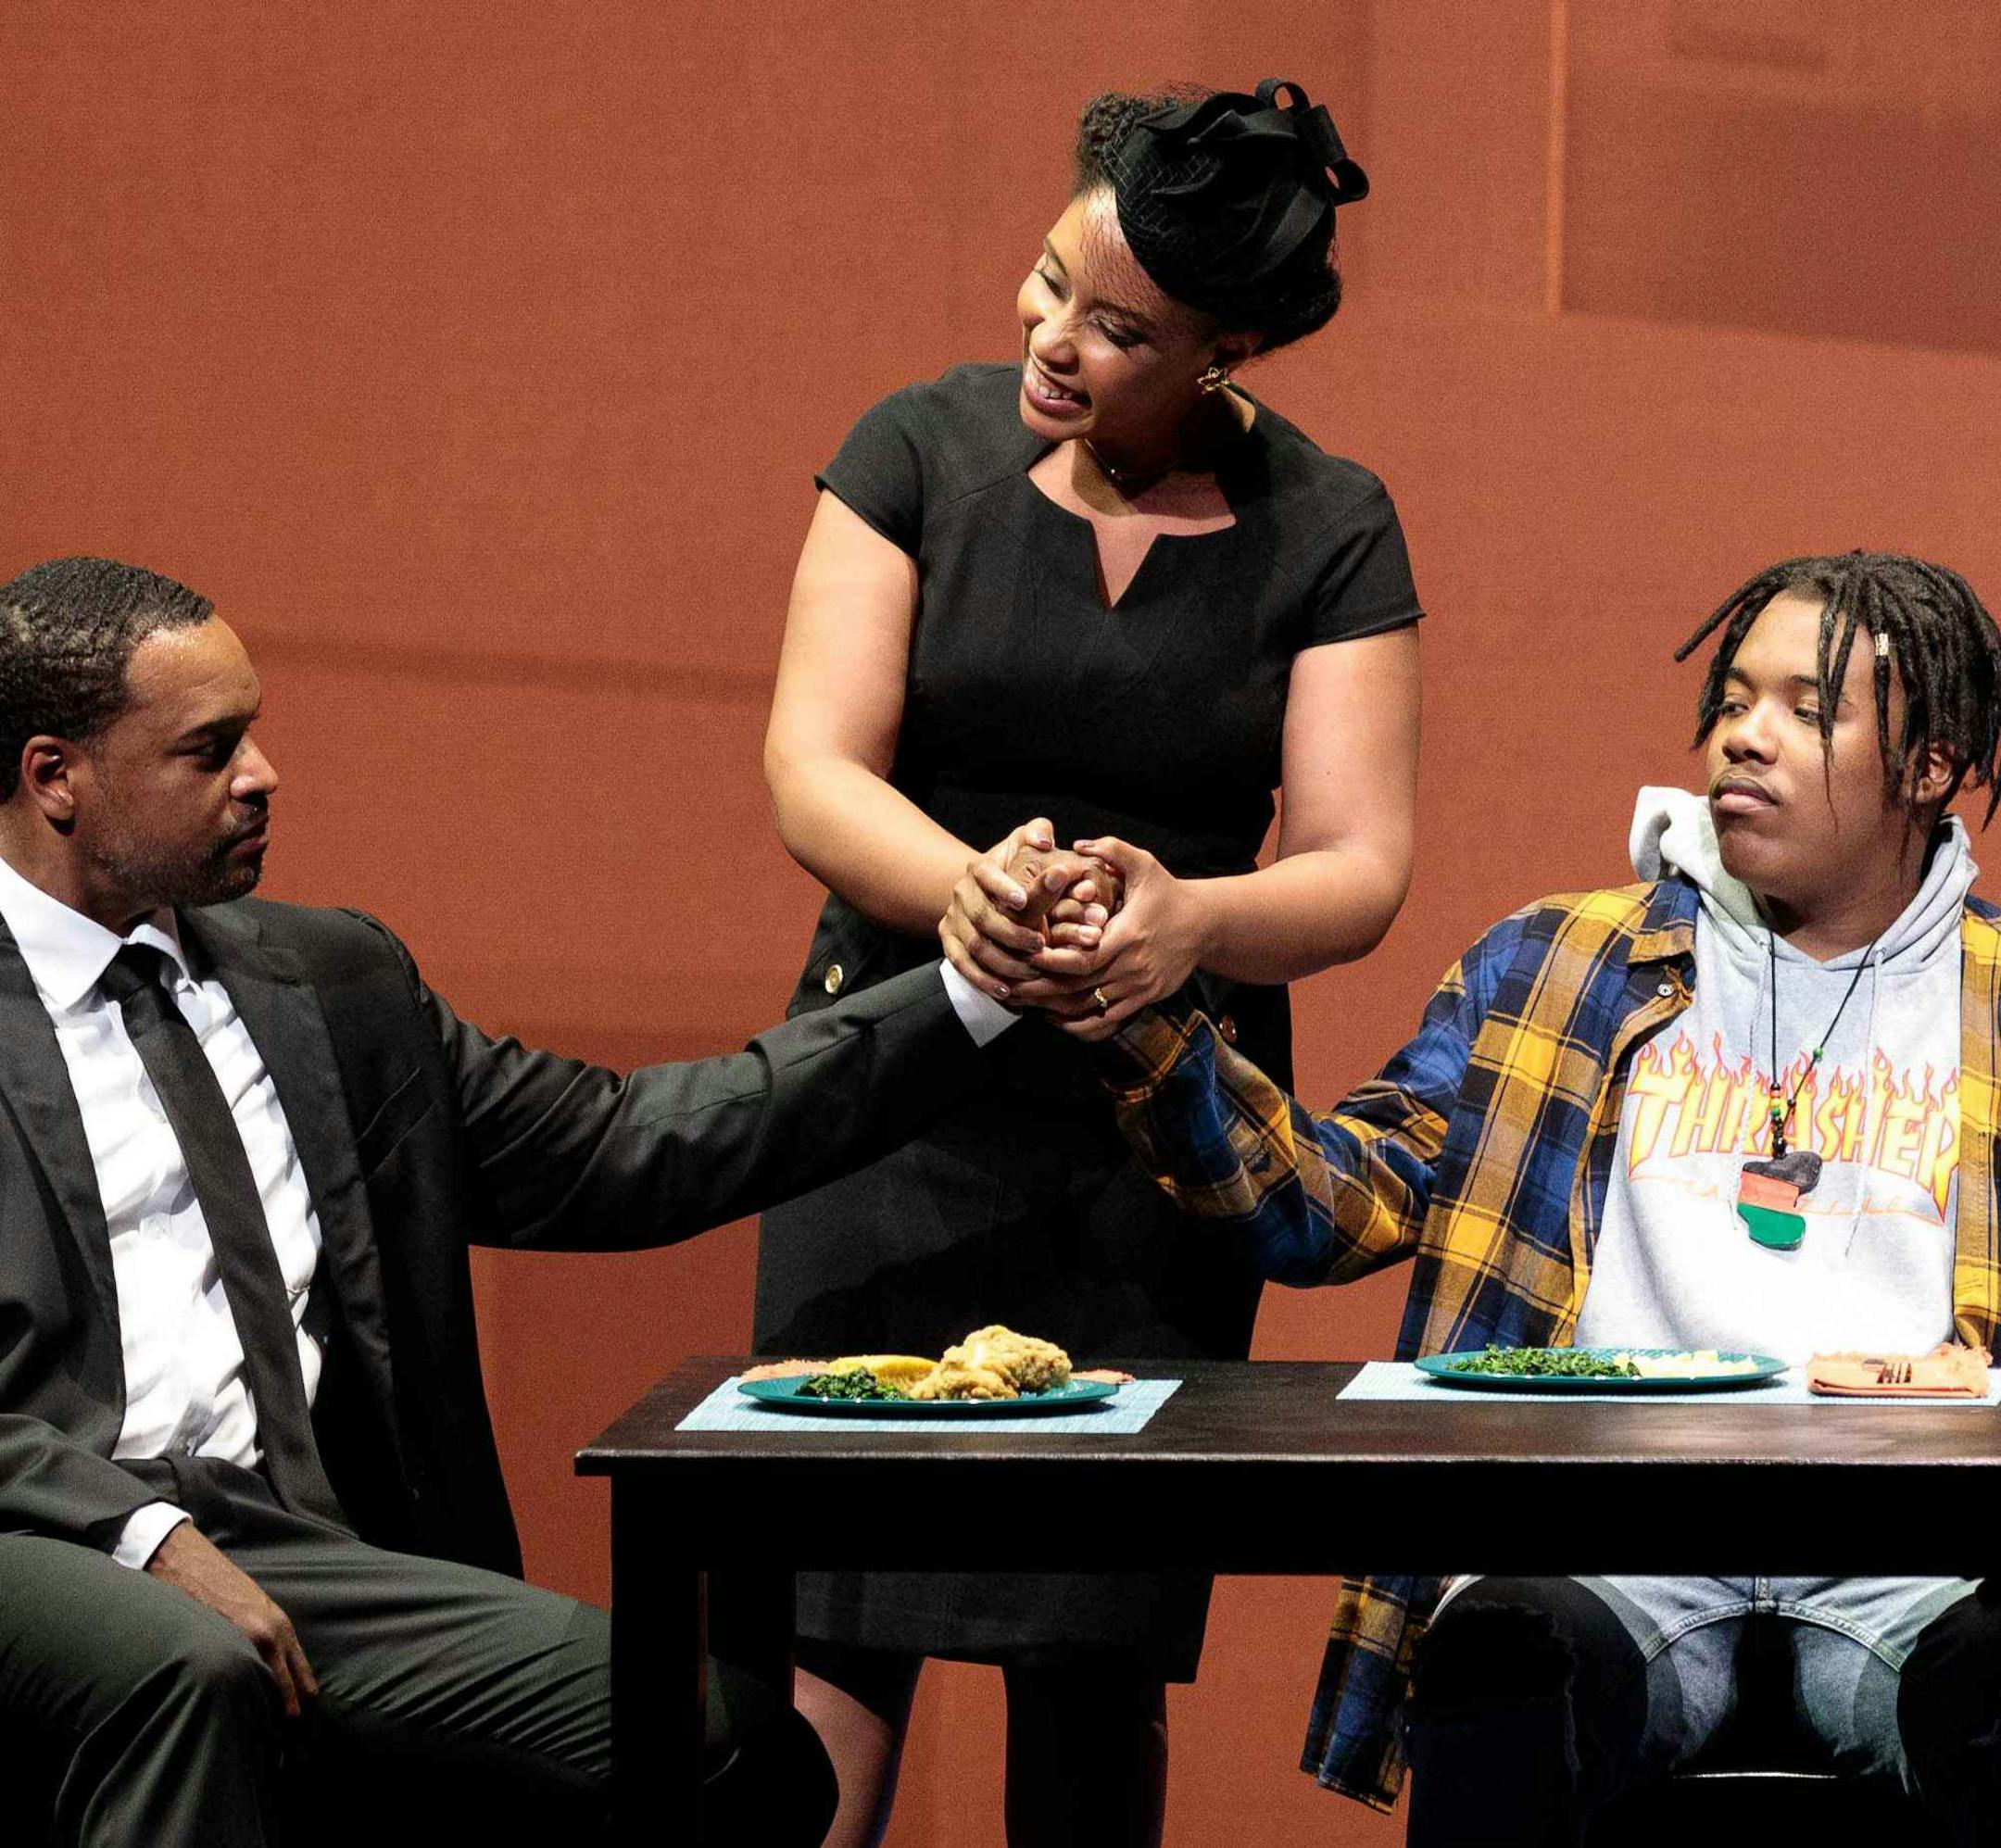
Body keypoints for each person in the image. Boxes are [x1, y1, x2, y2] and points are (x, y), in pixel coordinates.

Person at [0, 555, 1025, 1848]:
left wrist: (975, 993)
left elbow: (625, 1144)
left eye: (252, 732)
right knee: (191, 1673)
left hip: (300, 1545)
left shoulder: (331, 984)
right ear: (57, 779)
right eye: (211, 751)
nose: (264, 775)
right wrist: (141, 1534)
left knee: (727, 1749)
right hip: (46, 1520)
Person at [757, 77, 1422, 1847]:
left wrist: (1194, 921)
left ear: (1231, 346)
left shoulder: (1331, 525)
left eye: (1117, 328)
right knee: (831, 1621)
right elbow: (814, 767)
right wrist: (970, 894)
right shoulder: (914, 449)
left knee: (1090, 1644)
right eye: (1050, 282)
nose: (1053, 340)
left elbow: (1359, 866)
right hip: (891, 1091)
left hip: (1159, 1129)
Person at [1092, 549, 2001, 1843]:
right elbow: (1325, 1206)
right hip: (1613, 1557)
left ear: (1929, 766)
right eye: (1734, 698)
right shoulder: (1560, 966)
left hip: (1918, 1570)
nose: (1743, 736)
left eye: (1808, 709)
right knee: (1498, 1658)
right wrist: (1148, 1025)